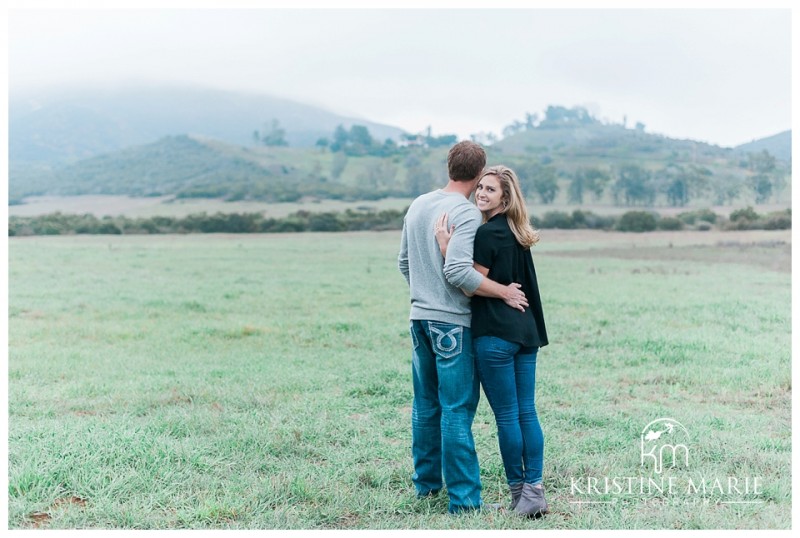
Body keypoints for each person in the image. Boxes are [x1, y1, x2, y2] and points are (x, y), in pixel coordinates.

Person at [397, 142, 529, 514]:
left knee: (425, 406)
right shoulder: (466, 213)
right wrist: (502, 291)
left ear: (449, 166)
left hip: (419, 317)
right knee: (456, 409)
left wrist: (424, 294)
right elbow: (457, 271)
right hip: (451, 322)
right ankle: (466, 501)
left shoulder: (419, 204)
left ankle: (426, 487)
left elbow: (404, 263)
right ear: (479, 172)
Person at [434, 165, 549, 518]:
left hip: (495, 336)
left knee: (508, 417)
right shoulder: (518, 233)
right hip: (525, 332)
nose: (482, 194)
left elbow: (468, 281)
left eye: (490, 190)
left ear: (505, 197)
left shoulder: (487, 235)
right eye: (480, 187)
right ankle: (535, 489)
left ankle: (521, 495)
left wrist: (446, 249)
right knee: (526, 412)